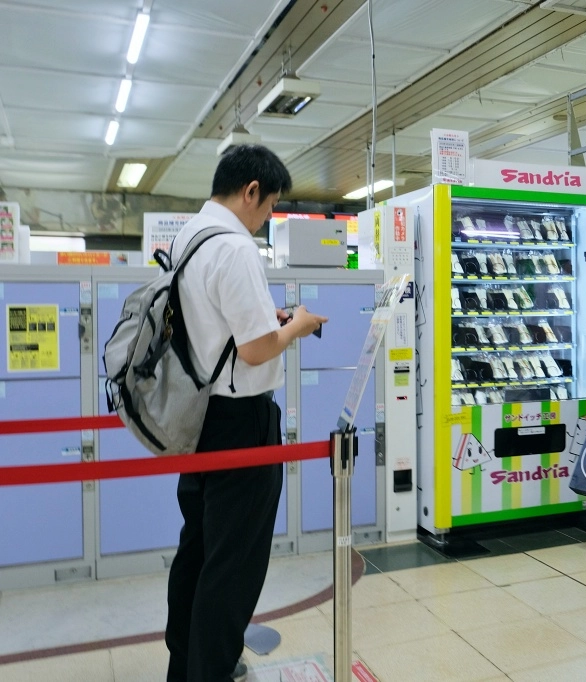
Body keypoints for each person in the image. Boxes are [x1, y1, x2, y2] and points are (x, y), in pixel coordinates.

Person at [164, 145, 327, 682]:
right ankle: (210, 671)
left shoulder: (190, 237)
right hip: (241, 422)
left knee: (201, 548)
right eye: (269, 207)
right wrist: (297, 323)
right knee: (233, 564)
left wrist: (270, 319)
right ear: (251, 190)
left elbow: (219, 328)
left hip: (200, 416)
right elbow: (257, 350)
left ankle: (185, 664)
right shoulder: (234, 248)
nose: (265, 221)